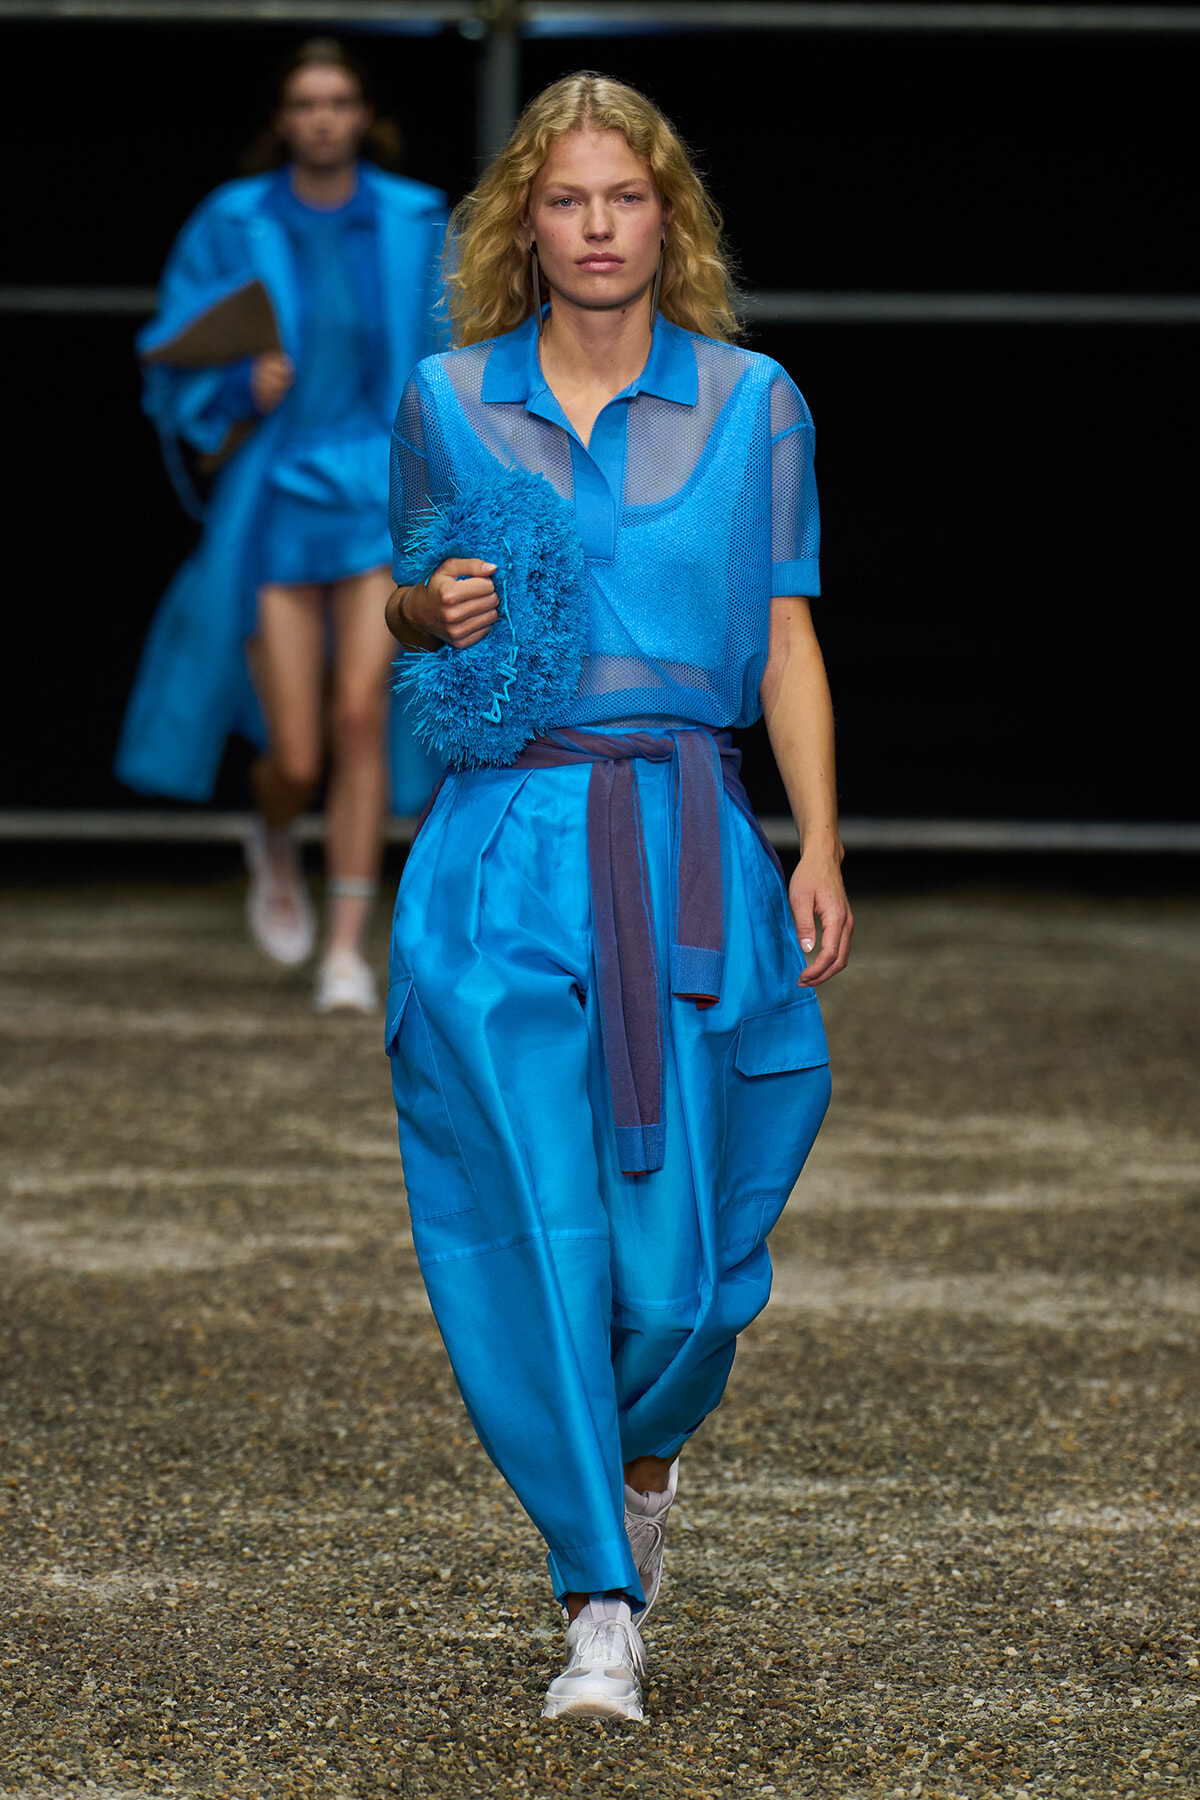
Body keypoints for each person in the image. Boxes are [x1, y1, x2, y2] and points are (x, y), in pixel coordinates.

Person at [385, 73, 853, 1720]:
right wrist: (415, 614)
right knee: (525, 1210)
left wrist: (822, 841)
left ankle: (643, 1465)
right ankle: (598, 1603)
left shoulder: (753, 404)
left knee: (691, 1273)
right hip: (503, 845)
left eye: (626, 199)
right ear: (527, 221)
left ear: (669, 218)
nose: (596, 228)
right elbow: (411, 605)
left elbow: (786, 634)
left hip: (689, 843)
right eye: (567, 200)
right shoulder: (447, 395)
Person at [116, 38, 446, 1012]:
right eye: (304, 101)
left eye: (339, 99)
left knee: (362, 718)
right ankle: (271, 834)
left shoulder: (417, 217)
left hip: (375, 494)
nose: (322, 117)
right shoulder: (232, 221)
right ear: (280, 120)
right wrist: (237, 385)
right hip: (279, 496)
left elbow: (457, 348)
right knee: (296, 753)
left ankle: (346, 947)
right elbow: (172, 355)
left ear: (363, 114)